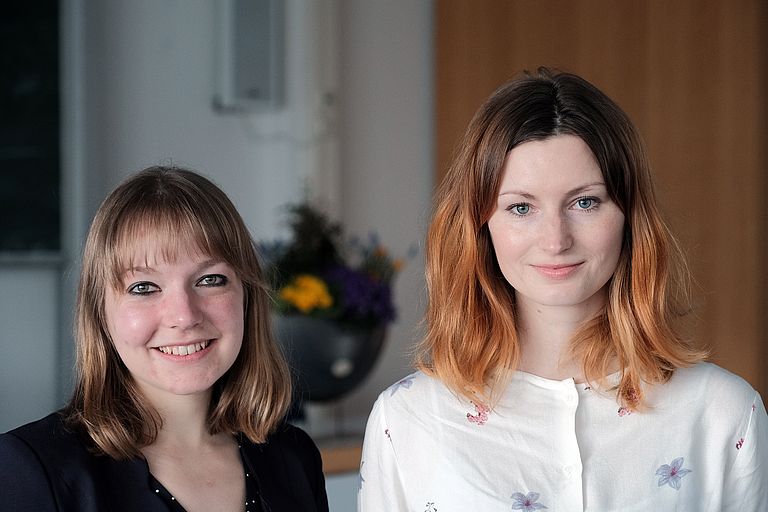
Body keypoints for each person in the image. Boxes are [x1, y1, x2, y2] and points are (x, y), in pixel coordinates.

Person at [358, 68, 767, 511]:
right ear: (480, 225)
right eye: (520, 207)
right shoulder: (407, 419)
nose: (556, 240)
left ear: (630, 215)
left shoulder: (723, 413)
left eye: (585, 202)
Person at [0, 167, 329, 511]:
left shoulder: (295, 459)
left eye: (211, 279)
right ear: (100, 312)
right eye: (143, 287)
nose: (184, 316)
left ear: (247, 296)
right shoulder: (32, 471)